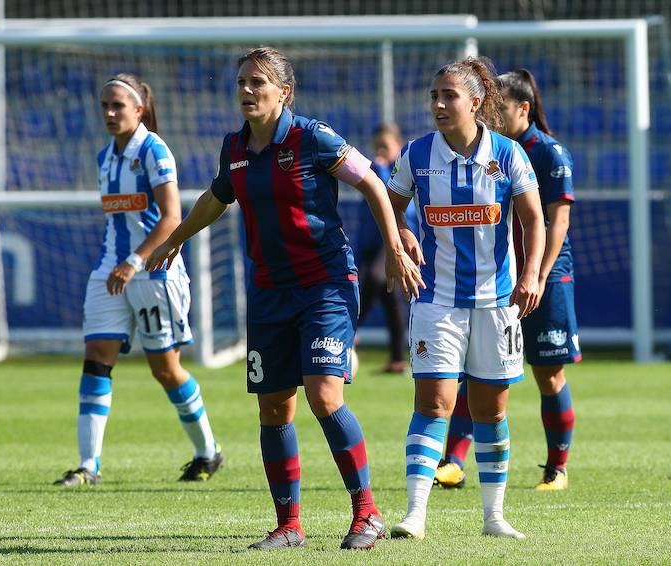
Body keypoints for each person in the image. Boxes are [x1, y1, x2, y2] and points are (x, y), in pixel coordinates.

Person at [145, 47, 423, 551]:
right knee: (274, 407)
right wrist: (176, 237)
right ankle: (288, 526)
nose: (246, 91)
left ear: (284, 92)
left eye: (258, 82)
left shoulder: (314, 137)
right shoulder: (234, 147)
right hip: (269, 292)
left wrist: (396, 245)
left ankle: (367, 514)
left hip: (326, 284)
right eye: (241, 82)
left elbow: (375, 186)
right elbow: (217, 195)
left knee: (324, 396)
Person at [387, 57, 545, 540]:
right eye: (434, 95)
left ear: (475, 102)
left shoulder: (509, 154)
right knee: (434, 402)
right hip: (435, 300)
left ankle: (494, 517)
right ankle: (415, 513)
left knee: (490, 411)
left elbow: (534, 219)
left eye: (448, 96)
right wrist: (400, 238)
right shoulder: (415, 155)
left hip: (497, 302)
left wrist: (533, 273)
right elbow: (389, 206)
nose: (437, 104)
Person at [54, 74, 223, 487]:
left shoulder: (154, 149)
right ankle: (88, 465)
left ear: (139, 108)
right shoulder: (104, 157)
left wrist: (133, 260)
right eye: (105, 107)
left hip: (151, 272)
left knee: (165, 369)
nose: (110, 114)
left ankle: (208, 451)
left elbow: (171, 218)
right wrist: (120, 262)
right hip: (109, 269)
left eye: (118, 106)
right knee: (96, 358)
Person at [434, 69, 581, 492]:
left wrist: (538, 275)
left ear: (523, 108)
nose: (493, 116)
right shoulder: (485, 150)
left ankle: (557, 467)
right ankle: (455, 462)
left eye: (501, 108)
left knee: (548, 373)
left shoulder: (549, 153)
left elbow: (558, 222)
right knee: (474, 368)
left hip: (544, 278)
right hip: (494, 277)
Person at [355, 122, 410, 373]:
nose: (379, 151)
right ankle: (398, 359)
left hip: (391, 243)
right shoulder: (372, 172)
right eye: (376, 146)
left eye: (385, 147)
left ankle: (349, 331)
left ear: (398, 147)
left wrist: (379, 167)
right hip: (369, 244)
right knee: (390, 299)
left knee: (376, 279)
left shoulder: (397, 171)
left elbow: (394, 203)